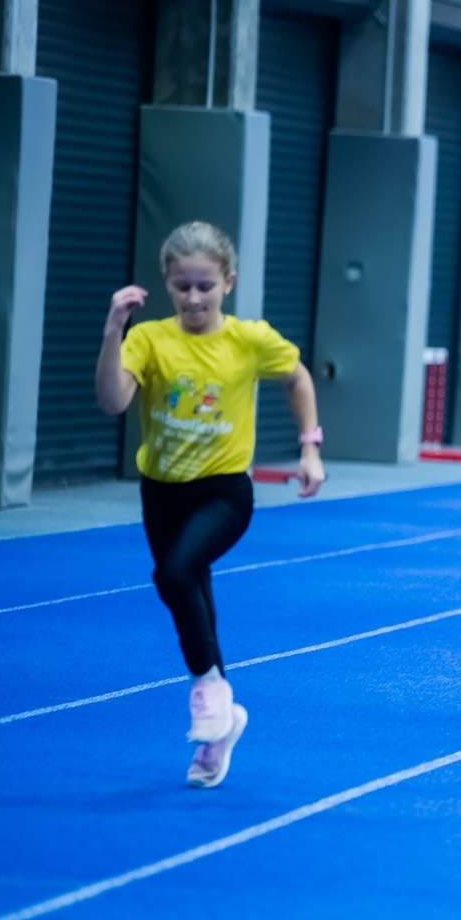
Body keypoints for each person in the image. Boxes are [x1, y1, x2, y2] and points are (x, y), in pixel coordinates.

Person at [94, 221, 325, 788]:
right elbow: (111, 402)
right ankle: (221, 731)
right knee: (191, 592)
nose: (194, 298)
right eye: (181, 287)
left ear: (229, 281)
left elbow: (296, 378)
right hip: (162, 491)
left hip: (224, 491)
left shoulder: (249, 339)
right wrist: (113, 332)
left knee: (173, 574)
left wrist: (309, 447)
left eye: (205, 286)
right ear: (167, 285)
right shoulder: (149, 339)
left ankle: (208, 690)